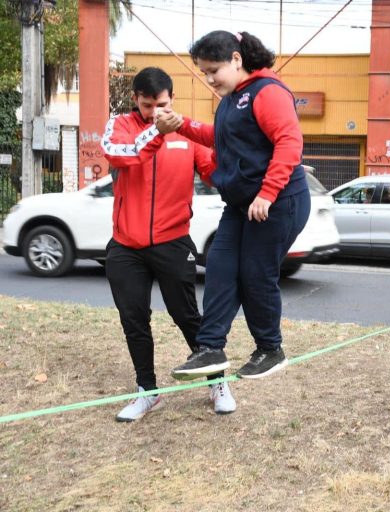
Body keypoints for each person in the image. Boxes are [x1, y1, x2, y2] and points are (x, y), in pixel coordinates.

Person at [156, 31, 310, 380]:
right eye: (204, 72)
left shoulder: (267, 92)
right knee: (221, 267)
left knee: (255, 274)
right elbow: (220, 136)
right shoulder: (232, 99)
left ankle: (270, 349)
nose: (210, 78)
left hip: (278, 203)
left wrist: (268, 193)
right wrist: (180, 125)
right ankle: (210, 348)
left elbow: (289, 142)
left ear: (237, 59)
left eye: (214, 70)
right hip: (241, 205)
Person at [100, 67, 236, 422]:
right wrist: (156, 133)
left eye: (161, 104)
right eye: (147, 105)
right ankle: (148, 391)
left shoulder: (187, 133)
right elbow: (120, 155)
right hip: (125, 246)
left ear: (171, 99)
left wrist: (235, 150)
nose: (155, 112)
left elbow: (214, 172)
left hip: (173, 241)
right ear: (135, 100)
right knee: (134, 320)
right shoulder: (122, 127)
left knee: (187, 316)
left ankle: (216, 382)